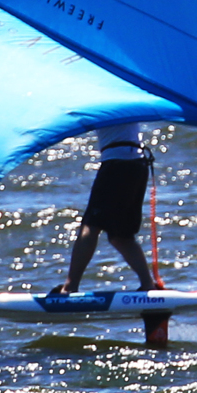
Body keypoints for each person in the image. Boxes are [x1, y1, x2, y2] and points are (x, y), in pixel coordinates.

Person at [51, 122, 160, 295]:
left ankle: (70, 287)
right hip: (138, 165)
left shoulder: (105, 100)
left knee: (90, 226)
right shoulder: (131, 98)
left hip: (117, 165)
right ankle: (148, 284)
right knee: (121, 236)